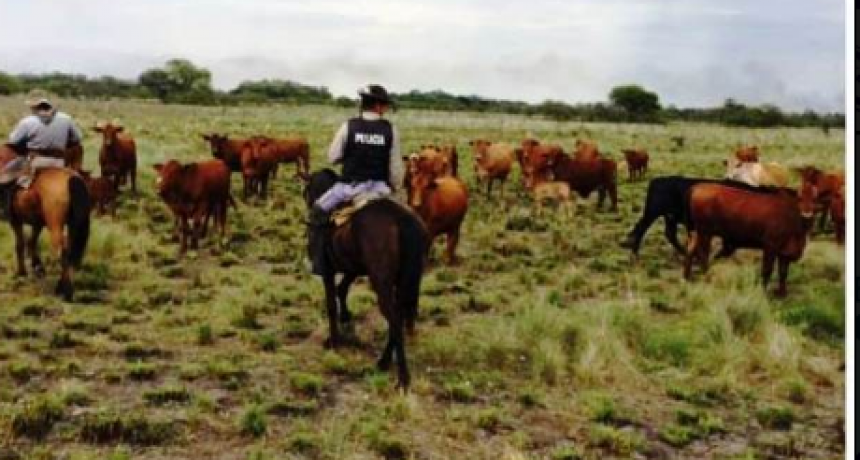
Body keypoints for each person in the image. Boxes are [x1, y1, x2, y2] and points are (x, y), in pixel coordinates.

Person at [307, 84, 405, 275]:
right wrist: (395, 187)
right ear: (377, 106)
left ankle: (319, 262)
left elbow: (333, 157)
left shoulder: (348, 126)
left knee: (317, 211)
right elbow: (395, 169)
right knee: (406, 221)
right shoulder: (391, 130)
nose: (385, 109)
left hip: (347, 188)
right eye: (384, 105)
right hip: (379, 190)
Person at [0, 90, 83, 220]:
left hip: (36, 161)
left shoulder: (27, 121)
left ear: (35, 108)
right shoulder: (66, 118)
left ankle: (6, 210)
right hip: (59, 162)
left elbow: (13, 140)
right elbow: (77, 138)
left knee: (4, 178)